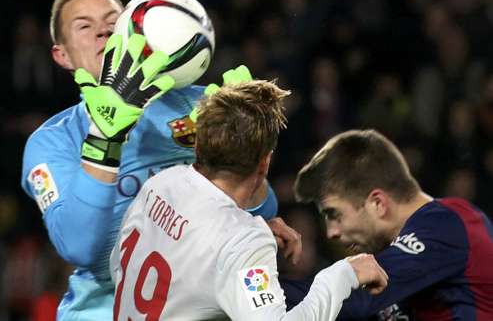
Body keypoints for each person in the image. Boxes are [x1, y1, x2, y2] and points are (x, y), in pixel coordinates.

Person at [20, 0, 284, 320]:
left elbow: (263, 208)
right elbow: (80, 247)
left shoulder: (200, 105)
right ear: (62, 55)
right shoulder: (53, 140)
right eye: (84, 26)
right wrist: (105, 139)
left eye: (112, 23)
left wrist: (244, 152)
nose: (102, 32)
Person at [111, 81, 388, 320]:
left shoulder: (161, 183)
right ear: (265, 163)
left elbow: (120, 267)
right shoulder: (243, 242)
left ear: (198, 145)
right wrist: (343, 274)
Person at [290, 129, 493, 320]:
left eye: (334, 214)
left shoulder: (448, 224)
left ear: (378, 203)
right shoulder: (403, 249)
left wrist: (260, 286)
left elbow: (355, 301)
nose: (331, 232)